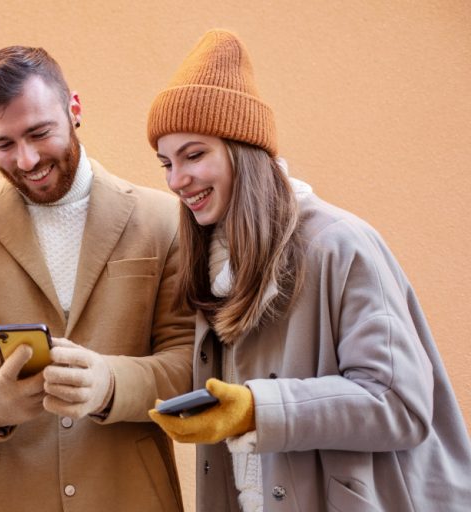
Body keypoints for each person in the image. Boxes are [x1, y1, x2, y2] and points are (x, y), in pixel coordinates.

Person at [146, 29, 471, 512]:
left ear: (244, 151)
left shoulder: (341, 245)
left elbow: (399, 405)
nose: (177, 180)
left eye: (195, 155)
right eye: (166, 163)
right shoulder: (211, 264)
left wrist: (259, 409)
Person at [0, 46, 194, 511]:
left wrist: (109, 384)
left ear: (74, 109)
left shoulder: (165, 219)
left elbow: (191, 366)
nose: (25, 161)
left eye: (39, 133)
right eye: (3, 144)